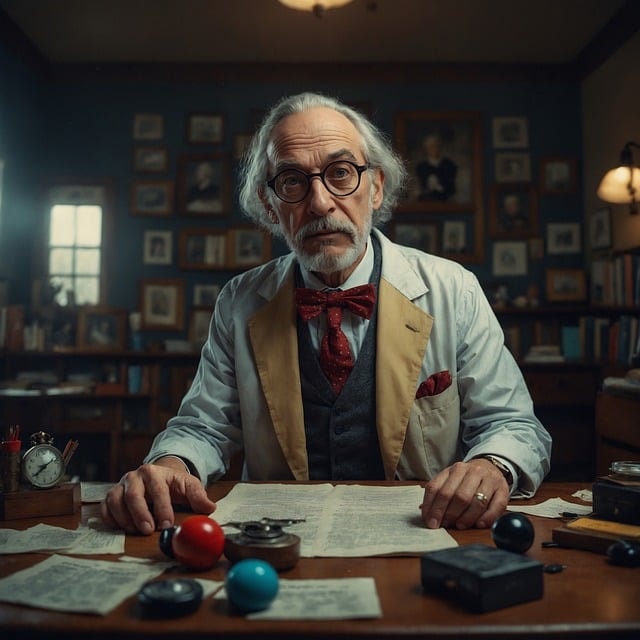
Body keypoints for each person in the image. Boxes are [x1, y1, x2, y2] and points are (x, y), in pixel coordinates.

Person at [102, 92, 551, 536]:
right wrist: (170, 463)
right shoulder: (238, 301)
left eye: (341, 173)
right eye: (293, 181)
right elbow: (203, 425)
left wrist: (491, 465)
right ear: (269, 204)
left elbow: (513, 424)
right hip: (276, 539)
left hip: (421, 532)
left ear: (375, 187)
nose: (319, 203)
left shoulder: (454, 289)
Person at [415, 133, 457, 201]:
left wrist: (439, 187)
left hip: (446, 202)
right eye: (431, 146)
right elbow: (419, 188)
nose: (434, 149)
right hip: (426, 203)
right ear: (426, 149)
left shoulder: (449, 165)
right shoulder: (421, 167)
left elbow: (452, 189)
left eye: (436, 146)